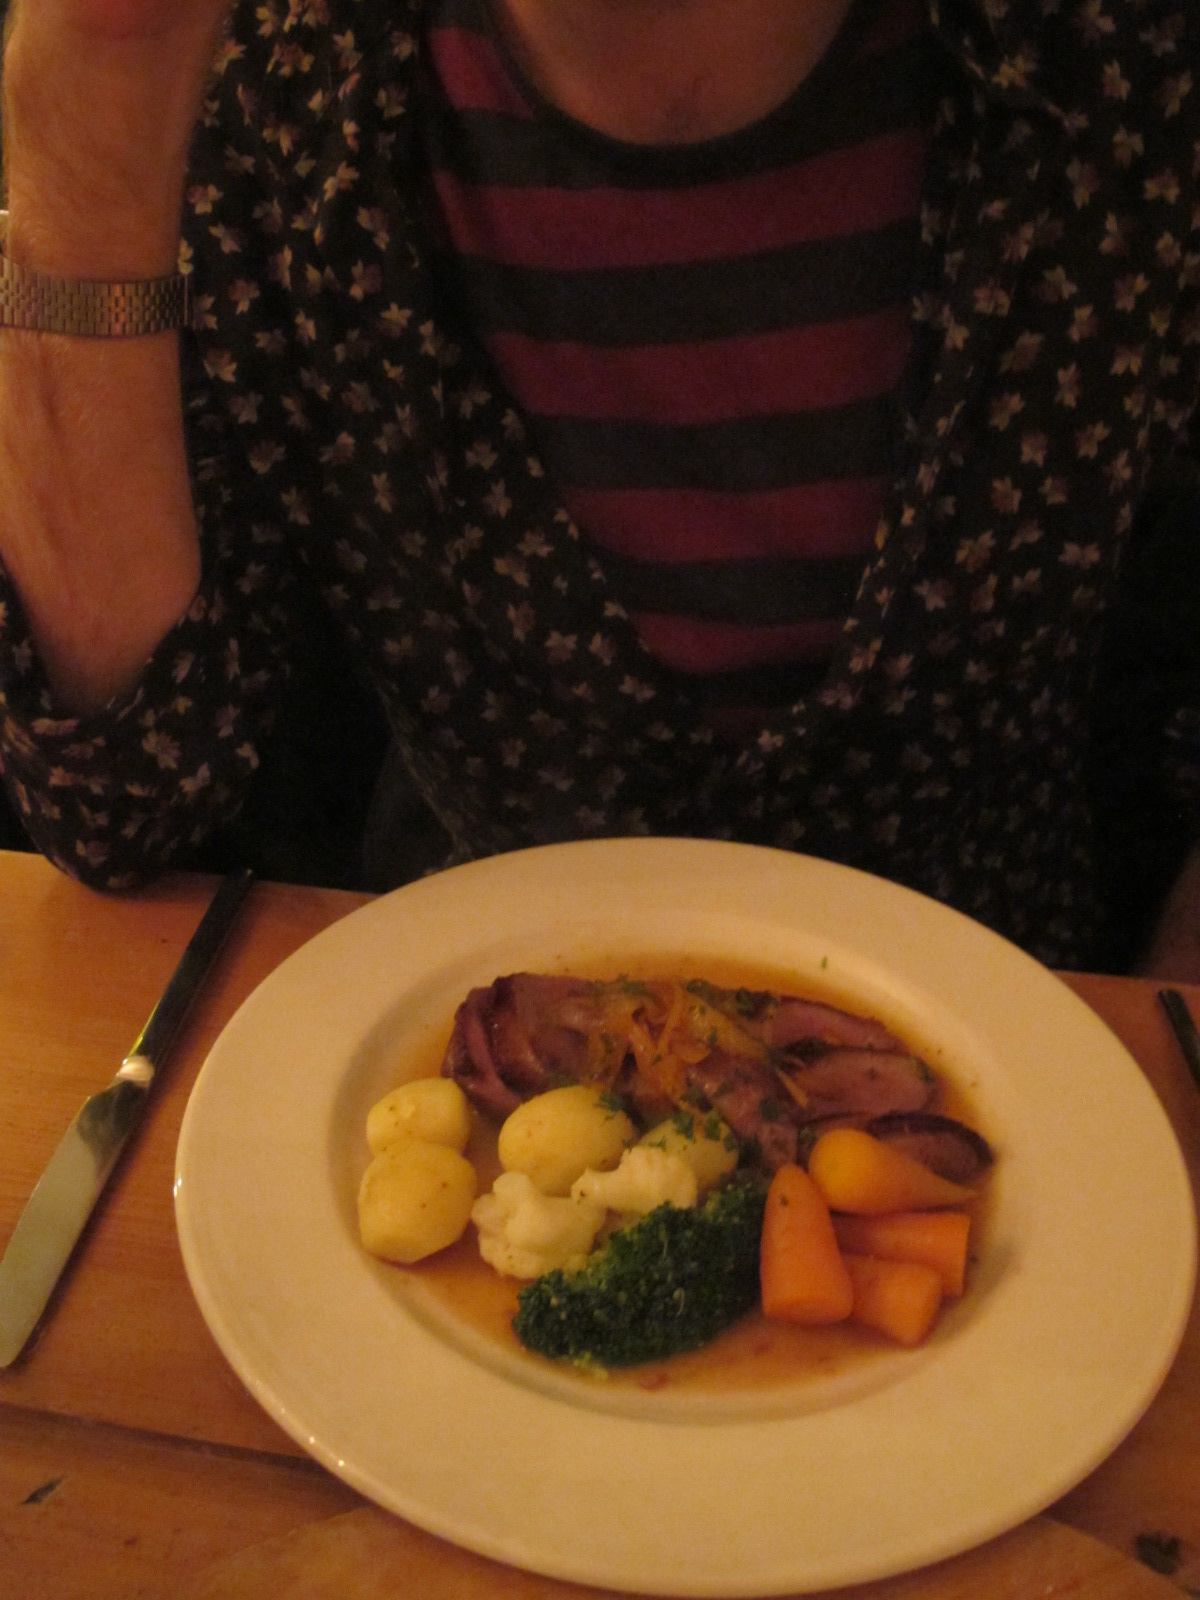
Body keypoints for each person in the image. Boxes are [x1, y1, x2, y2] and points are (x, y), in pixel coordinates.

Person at [0, 0, 1197, 976]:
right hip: (457, 1035)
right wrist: (91, 103)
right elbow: (126, 808)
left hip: (1025, 1047)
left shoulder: (1132, 61)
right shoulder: (272, 79)